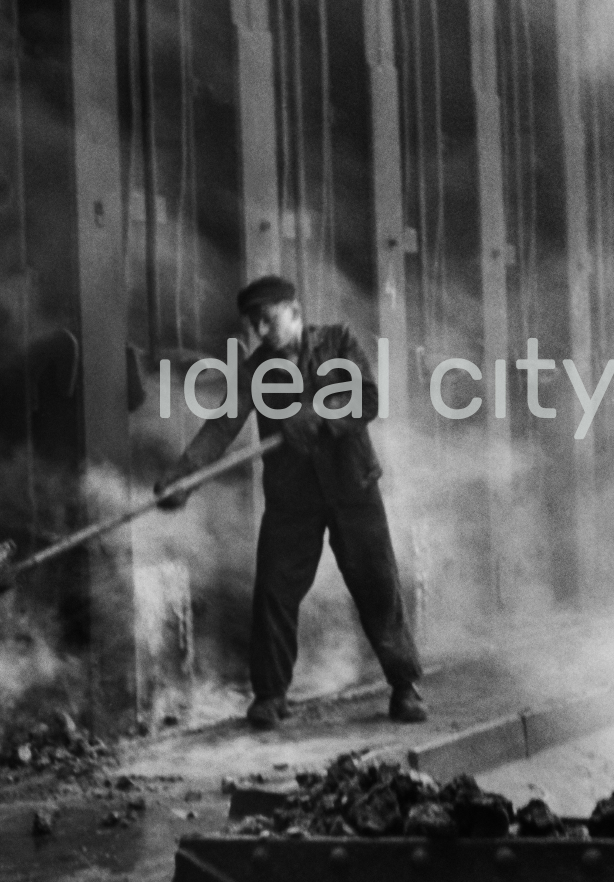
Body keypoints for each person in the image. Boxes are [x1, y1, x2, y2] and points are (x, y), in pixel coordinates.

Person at [155, 275, 426, 729]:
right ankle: (270, 696)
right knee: (275, 594)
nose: (262, 329)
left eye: (269, 317)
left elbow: (368, 398)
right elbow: (223, 425)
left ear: (294, 310)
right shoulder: (255, 369)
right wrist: (184, 475)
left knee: (377, 586)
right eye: (255, 323)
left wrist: (319, 413)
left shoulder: (338, 341)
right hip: (292, 500)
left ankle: (405, 686)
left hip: (352, 488)